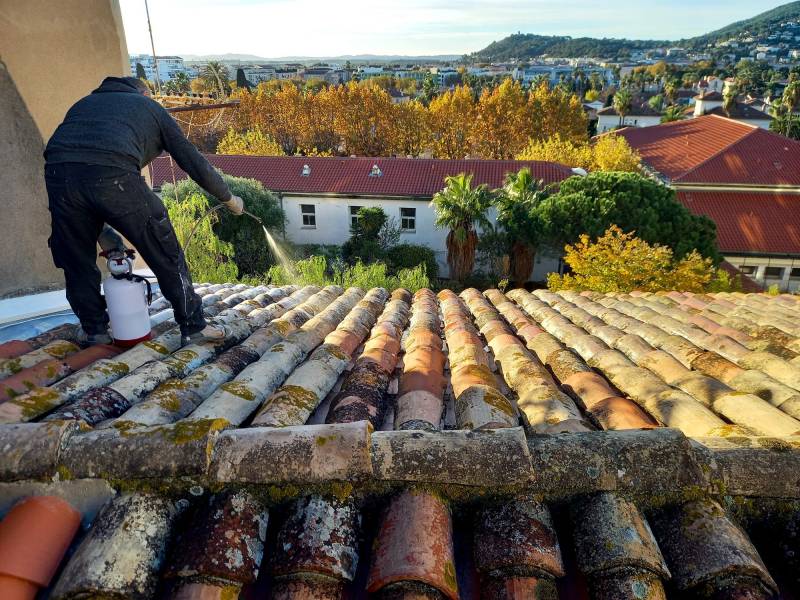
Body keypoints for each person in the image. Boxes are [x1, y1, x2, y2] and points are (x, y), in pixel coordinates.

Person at [44, 76, 243, 346]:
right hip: (115, 177)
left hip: (58, 176)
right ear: (143, 93)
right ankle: (194, 327)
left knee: (76, 260)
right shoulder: (150, 108)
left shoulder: (83, 105)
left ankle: (95, 331)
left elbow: (81, 167)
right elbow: (192, 160)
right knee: (164, 251)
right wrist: (228, 198)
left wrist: (100, 229)